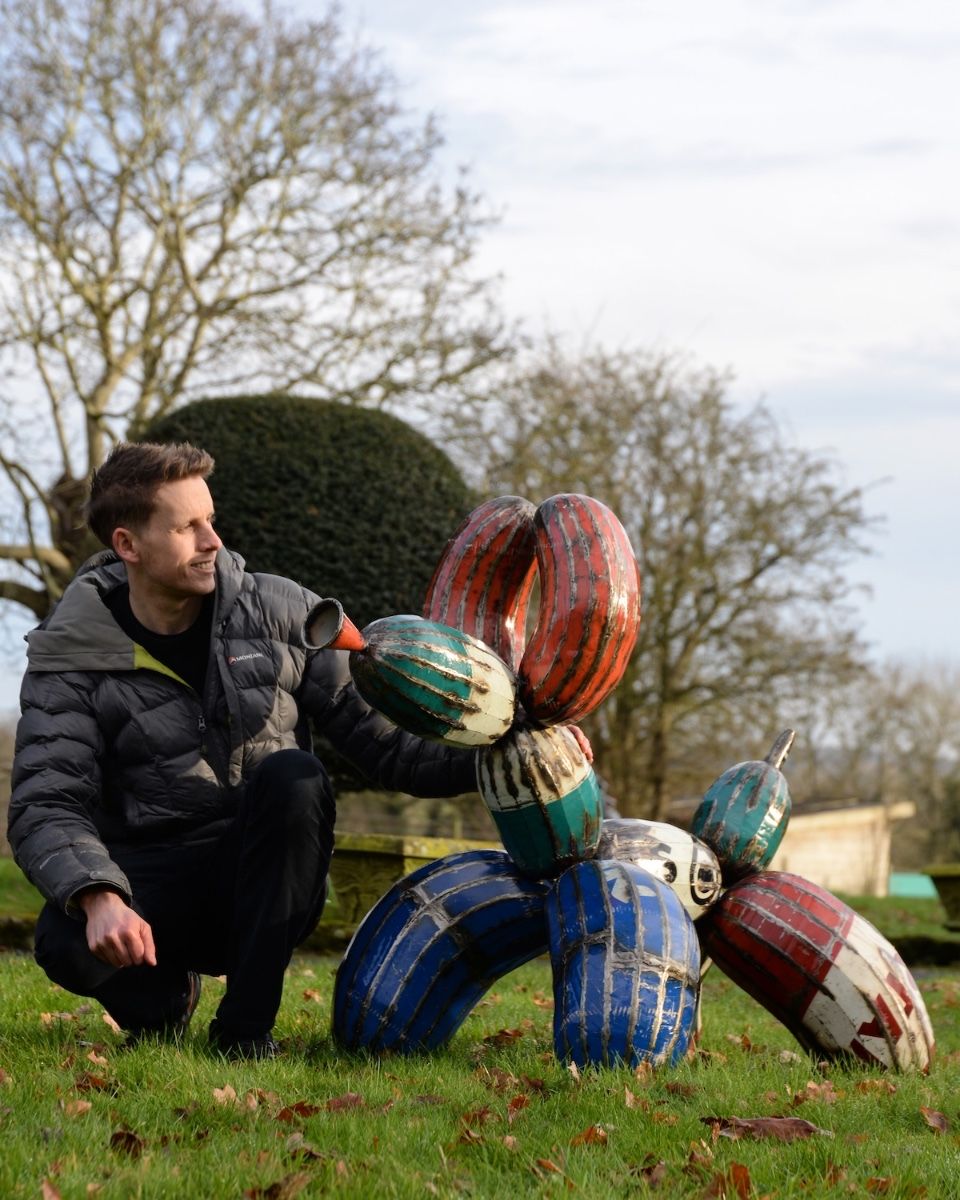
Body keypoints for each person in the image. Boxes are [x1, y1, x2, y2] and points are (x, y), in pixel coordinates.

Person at [6, 441, 492, 1059]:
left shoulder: (284, 611)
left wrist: (497, 749)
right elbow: (46, 802)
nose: (212, 541)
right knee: (64, 939)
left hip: (267, 874)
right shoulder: (66, 654)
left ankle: (244, 1032)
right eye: (187, 527)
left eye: (212, 520)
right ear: (127, 545)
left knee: (295, 776)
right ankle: (158, 996)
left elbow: (387, 746)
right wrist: (99, 897)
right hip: (150, 879)